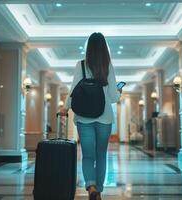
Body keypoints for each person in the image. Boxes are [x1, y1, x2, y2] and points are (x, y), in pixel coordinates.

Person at [60, 32, 121, 200]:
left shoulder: (80, 65)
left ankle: (91, 186)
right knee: (101, 155)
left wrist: (65, 108)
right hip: (104, 117)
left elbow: (73, 91)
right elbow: (114, 97)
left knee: (87, 155)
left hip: (84, 118)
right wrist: (119, 91)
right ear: (104, 48)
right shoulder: (108, 66)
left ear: (88, 48)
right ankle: (98, 191)